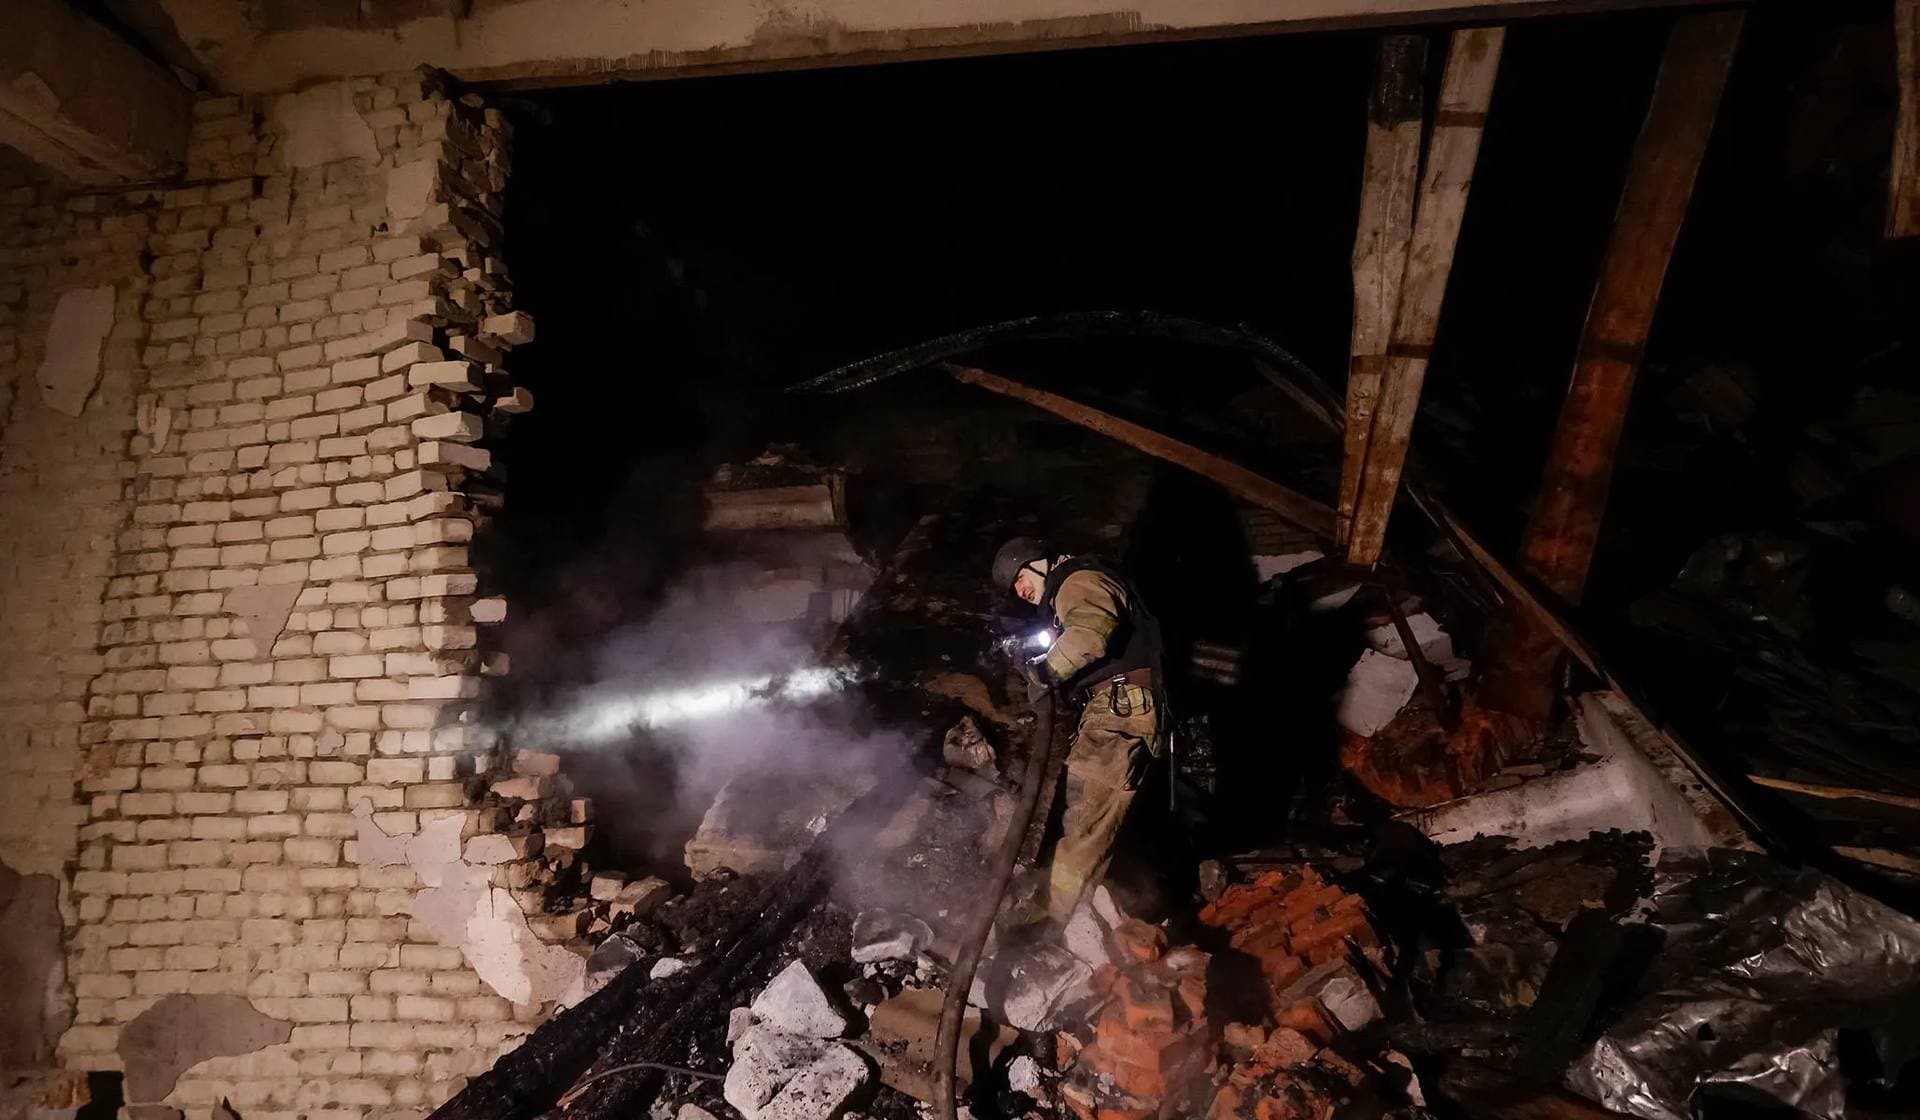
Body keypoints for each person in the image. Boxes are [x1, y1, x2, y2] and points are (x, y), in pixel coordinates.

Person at [990, 536, 1164, 921]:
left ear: (1040, 563)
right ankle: (1072, 913)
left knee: (1085, 820)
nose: (1020, 592)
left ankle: (1055, 920)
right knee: (1090, 819)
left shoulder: (1077, 579)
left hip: (1119, 709)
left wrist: (1044, 671)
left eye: (1020, 578)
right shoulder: (1070, 590)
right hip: (1117, 707)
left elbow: (1089, 636)